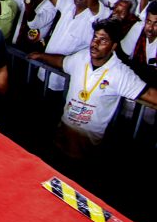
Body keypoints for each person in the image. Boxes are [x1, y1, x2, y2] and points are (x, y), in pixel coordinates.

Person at [29, 19, 157, 159]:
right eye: (95, 37)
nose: (95, 44)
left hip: (87, 145)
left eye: (103, 40)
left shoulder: (120, 73)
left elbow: (149, 94)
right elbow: (61, 61)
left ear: (113, 46)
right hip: (62, 136)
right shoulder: (81, 57)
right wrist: (41, 56)